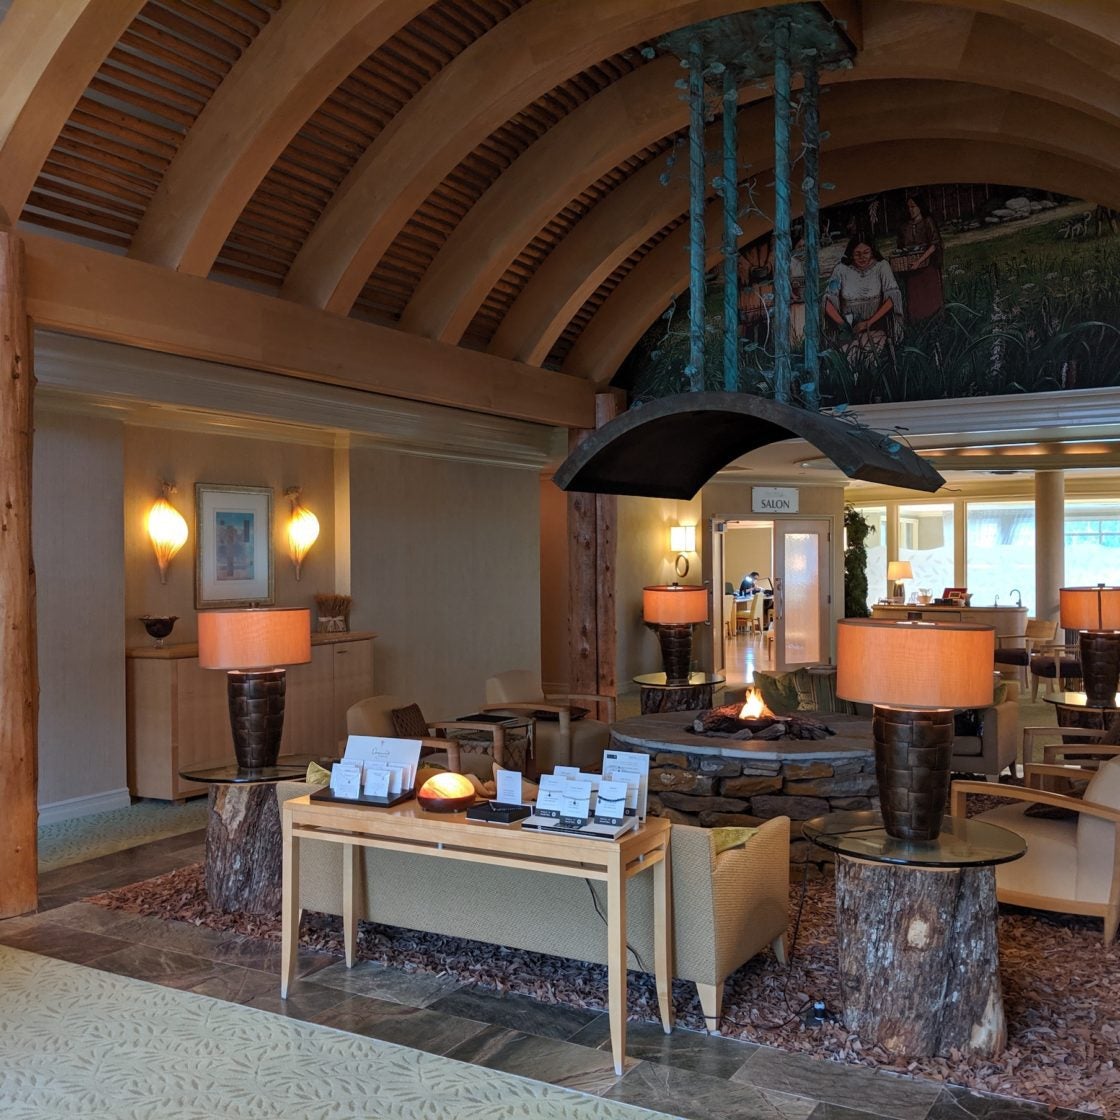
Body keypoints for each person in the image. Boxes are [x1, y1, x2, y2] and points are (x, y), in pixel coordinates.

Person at [823, 237, 903, 359]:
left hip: (876, 324)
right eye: (857, 254)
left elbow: (892, 298)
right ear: (851, 254)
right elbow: (827, 301)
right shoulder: (841, 269)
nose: (862, 257)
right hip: (849, 328)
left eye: (866, 252)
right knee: (850, 355)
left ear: (872, 252)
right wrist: (844, 326)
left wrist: (868, 323)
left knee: (869, 355)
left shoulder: (882, 266)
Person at [894, 193, 943, 322]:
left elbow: (934, 245)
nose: (910, 210)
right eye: (908, 207)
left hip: (927, 266)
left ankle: (935, 320)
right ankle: (917, 323)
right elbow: (902, 246)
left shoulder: (928, 222)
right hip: (911, 267)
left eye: (913, 206)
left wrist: (919, 261)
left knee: (930, 295)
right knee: (915, 296)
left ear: (920, 207)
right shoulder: (905, 226)